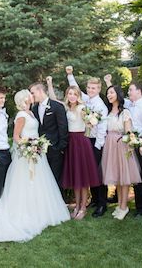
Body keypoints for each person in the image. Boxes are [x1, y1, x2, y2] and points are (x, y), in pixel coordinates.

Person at [0, 90, 70, 243]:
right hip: (26, 155)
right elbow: (16, 137)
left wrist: (36, 146)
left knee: (39, 182)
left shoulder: (31, 112)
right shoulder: (21, 115)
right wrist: (29, 146)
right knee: (25, 183)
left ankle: (39, 211)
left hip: (36, 153)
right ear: (24, 98)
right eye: (29, 94)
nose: (32, 95)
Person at [47, 77, 100, 220]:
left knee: (82, 176)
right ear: (67, 95)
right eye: (69, 94)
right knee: (75, 175)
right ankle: (76, 205)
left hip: (81, 143)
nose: (71, 96)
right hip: (70, 143)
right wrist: (50, 84)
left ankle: (83, 207)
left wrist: (90, 124)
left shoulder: (82, 108)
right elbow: (52, 99)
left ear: (78, 96)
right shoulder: (65, 107)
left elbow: (92, 122)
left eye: (74, 94)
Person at [105, 75, 142, 217]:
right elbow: (116, 97)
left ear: (138, 91)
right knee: (124, 174)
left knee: (138, 178)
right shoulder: (129, 104)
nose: (129, 93)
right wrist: (108, 82)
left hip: (140, 143)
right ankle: (121, 204)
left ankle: (141, 208)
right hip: (126, 142)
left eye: (131, 90)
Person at [66, 66, 109, 217]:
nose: (91, 90)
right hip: (84, 140)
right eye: (89, 87)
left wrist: (98, 146)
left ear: (99, 89)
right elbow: (75, 90)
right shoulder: (86, 99)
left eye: (94, 88)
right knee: (88, 173)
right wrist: (70, 75)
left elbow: (103, 127)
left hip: (96, 142)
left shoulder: (100, 105)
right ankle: (95, 200)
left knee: (97, 173)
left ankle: (102, 204)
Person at [102, 85, 141, 220]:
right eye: (107, 93)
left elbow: (128, 131)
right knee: (117, 177)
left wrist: (130, 145)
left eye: (111, 92)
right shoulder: (107, 111)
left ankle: (124, 206)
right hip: (109, 145)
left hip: (121, 144)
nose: (109, 95)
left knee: (124, 178)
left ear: (118, 94)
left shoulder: (125, 112)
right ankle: (119, 205)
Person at [29, 82, 69, 187]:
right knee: (43, 179)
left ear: (40, 91)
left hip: (55, 148)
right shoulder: (34, 109)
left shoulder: (57, 107)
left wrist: (61, 147)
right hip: (40, 150)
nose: (32, 96)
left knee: (55, 178)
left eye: (33, 93)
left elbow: (63, 128)